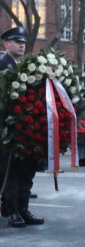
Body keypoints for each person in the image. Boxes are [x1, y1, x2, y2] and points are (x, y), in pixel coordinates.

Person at [0, 26, 44, 227]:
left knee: (27, 169)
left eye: (23, 42)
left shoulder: (26, 67)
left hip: (26, 128)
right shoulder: (3, 65)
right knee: (11, 171)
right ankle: (12, 211)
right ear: (6, 44)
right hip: (8, 129)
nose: (21, 45)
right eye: (17, 42)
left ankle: (23, 208)